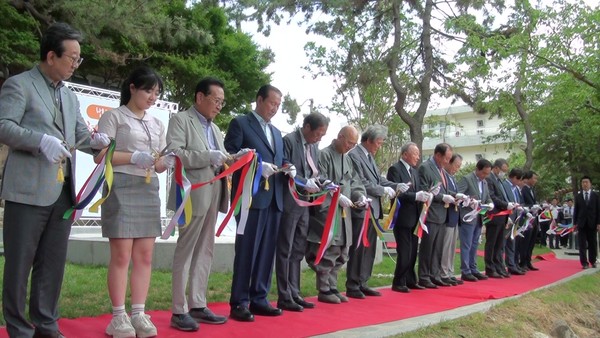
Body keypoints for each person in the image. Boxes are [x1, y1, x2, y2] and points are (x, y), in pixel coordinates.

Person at [0, 22, 110, 338]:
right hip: (28, 190)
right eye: (72, 58)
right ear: (51, 55)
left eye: (79, 59)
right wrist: (38, 140)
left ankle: (46, 323)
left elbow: (78, 135)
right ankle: (19, 328)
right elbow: (3, 125)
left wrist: (98, 141)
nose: (76, 64)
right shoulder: (19, 85)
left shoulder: (70, 95)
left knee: (52, 262)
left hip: (63, 191)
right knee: (20, 263)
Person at [96, 66, 172, 338]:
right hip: (121, 185)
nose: (153, 97)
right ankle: (118, 317)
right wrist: (133, 156)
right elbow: (101, 155)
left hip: (148, 187)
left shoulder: (157, 123)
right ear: (132, 88)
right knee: (121, 255)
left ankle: (138, 313)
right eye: (148, 90)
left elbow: (160, 162)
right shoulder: (114, 117)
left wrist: (169, 161)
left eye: (157, 92)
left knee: (145, 255)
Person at [224, 85, 296, 322]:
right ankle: (240, 302)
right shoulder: (241, 123)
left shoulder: (276, 132)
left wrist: (287, 165)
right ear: (259, 99)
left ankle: (259, 298)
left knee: (266, 252)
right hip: (251, 198)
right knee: (247, 251)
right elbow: (231, 156)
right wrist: (254, 165)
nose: (274, 108)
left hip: (274, 198)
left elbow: (278, 157)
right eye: (271, 103)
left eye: (278, 105)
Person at [166, 77, 230, 331]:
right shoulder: (181, 120)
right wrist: (207, 157)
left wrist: (240, 157)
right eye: (216, 100)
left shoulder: (215, 129)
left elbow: (221, 158)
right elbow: (175, 153)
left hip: (214, 191)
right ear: (199, 97)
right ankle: (178, 310)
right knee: (186, 249)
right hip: (192, 195)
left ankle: (198, 303)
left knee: (206, 249)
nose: (218, 106)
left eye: (222, 103)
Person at [305, 126, 366, 304]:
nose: (351, 147)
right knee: (329, 251)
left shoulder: (347, 160)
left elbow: (355, 182)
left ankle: (332, 286)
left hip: (344, 212)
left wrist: (359, 195)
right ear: (340, 137)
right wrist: (337, 197)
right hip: (328, 212)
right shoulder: (323, 155)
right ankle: (324, 289)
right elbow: (320, 181)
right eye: (349, 142)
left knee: (342, 251)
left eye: (354, 144)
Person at [275, 112, 329, 312]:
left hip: (305, 203)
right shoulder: (289, 140)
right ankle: (284, 294)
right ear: (306, 127)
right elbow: (285, 168)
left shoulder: (314, 147)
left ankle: (295, 292)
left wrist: (323, 182)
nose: (319, 138)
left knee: (298, 248)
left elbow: (314, 171)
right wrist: (304, 182)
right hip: (290, 201)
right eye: (318, 133)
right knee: (285, 248)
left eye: (322, 135)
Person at [346, 125, 405, 299]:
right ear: (368, 140)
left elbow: (378, 179)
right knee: (359, 248)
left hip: (374, 209)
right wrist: (382, 190)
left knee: (369, 248)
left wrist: (394, 186)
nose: (379, 146)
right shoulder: (355, 155)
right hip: (363, 207)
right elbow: (361, 182)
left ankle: (363, 281)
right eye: (378, 143)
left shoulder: (369, 157)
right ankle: (353, 284)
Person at [387, 142, 431, 293]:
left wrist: (425, 194)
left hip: (415, 216)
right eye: (415, 154)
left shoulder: (414, 171)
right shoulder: (395, 169)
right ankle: (398, 281)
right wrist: (415, 196)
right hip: (403, 216)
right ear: (405, 154)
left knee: (413, 251)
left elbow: (418, 191)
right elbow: (397, 192)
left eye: (418, 154)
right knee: (404, 251)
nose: (418, 157)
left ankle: (411, 280)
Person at [417, 143, 455, 288]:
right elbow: (426, 190)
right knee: (428, 247)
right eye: (446, 158)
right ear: (438, 155)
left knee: (437, 248)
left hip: (442, 214)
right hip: (431, 214)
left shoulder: (442, 170)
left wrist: (455, 195)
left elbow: (443, 190)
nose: (447, 162)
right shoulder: (426, 168)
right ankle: (424, 276)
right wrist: (442, 198)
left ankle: (435, 274)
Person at [457, 159, 492, 282]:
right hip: (467, 217)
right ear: (477, 169)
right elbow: (458, 195)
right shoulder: (467, 179)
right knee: (466, 244)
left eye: (487, 174)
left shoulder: (485, 183)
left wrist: (490, 204)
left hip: (479, 216)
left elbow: (487, 197)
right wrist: (469, 201)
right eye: (484, 173)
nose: (485, 176)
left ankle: (473, 268)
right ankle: (465, 271)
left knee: (475, 244)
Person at [484, 158, 514, 278]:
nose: (504, 173)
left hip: (503, 216)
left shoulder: (499, 180)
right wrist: (505, 205)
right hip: (494, 215)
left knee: (499, 244)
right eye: (503, 170)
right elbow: (492, 197)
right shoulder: (489, 179)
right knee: (492, 243)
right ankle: (490, 268)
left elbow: (503, 196)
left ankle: (498, 265)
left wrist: (509, 205)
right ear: (496, 168)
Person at [439, 154, 464, 286]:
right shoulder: (444, 176)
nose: (457, 169)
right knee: (446, 246)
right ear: (449, 163)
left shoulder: (453, 178)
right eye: (456, 166)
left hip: (454, 216)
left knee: (452, 247)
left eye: (459, 166)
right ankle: (443, 273)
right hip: (447, 216)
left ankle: (450, 271)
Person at [501, 168, 526, 275]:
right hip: (507, 217)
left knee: (512, 242)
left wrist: (520, 207)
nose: (519, 183)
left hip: (516, 216)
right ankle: (501, 265)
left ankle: (511, 265)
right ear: (514, 177)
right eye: (519, 180)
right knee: (503, 243)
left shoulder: (515, 188)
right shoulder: (504, 185)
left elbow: (519, 201)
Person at [573, 176, 600, 269]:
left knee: (593, 243)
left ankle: (593, 261)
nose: (585, 184)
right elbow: (576, 210)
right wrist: (575, 223)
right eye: (583, 182)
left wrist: (598, 223)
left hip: (592, 223)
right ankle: (584, 263)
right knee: (582, 244)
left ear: (590, 183)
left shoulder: (596, 196)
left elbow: (598, 210)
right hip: (581, 223)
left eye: (586, 182)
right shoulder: (578, 196)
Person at [516, 170, 540, 271]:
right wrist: (531, 207)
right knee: (525, 241)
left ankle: (528, 261)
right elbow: (522, 204)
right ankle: (522, 262)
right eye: (534, 178)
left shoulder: (532, 190)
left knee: (531, 241)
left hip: (534, 218)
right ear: (528, 179)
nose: (535, 180)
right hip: (526, 219)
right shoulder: (524, 190)